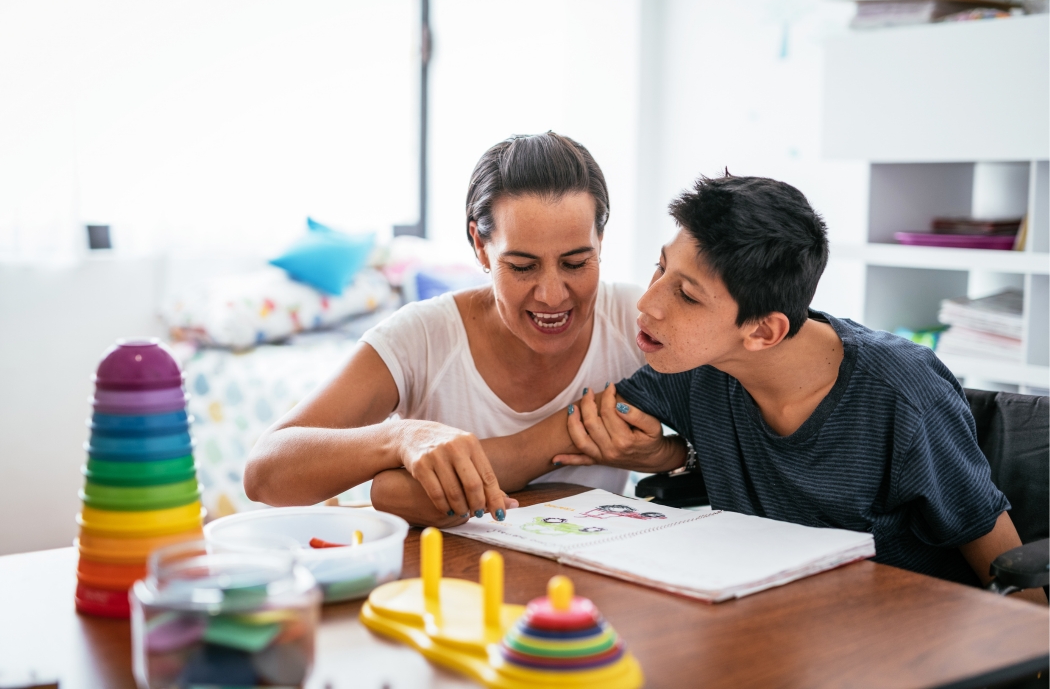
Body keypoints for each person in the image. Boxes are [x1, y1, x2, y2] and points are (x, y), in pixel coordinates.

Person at [544, 173, 1043, 600]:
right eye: (660, 267)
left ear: (763, 331)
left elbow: (1012, 575)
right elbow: (546, 444)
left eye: (687, 295)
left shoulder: (902, 393)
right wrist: (463, 448)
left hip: (903, 642)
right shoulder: (700, 363)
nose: (647, 302)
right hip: (775, 621)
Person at [243, 131, 645, 526]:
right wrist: (402, 438)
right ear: (480, 245)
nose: (553, 295)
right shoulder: (422, 338)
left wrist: (671, 454)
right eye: (522, 267)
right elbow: (264, 473)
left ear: (601, 241)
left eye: (576, 262)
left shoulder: (635, 319)